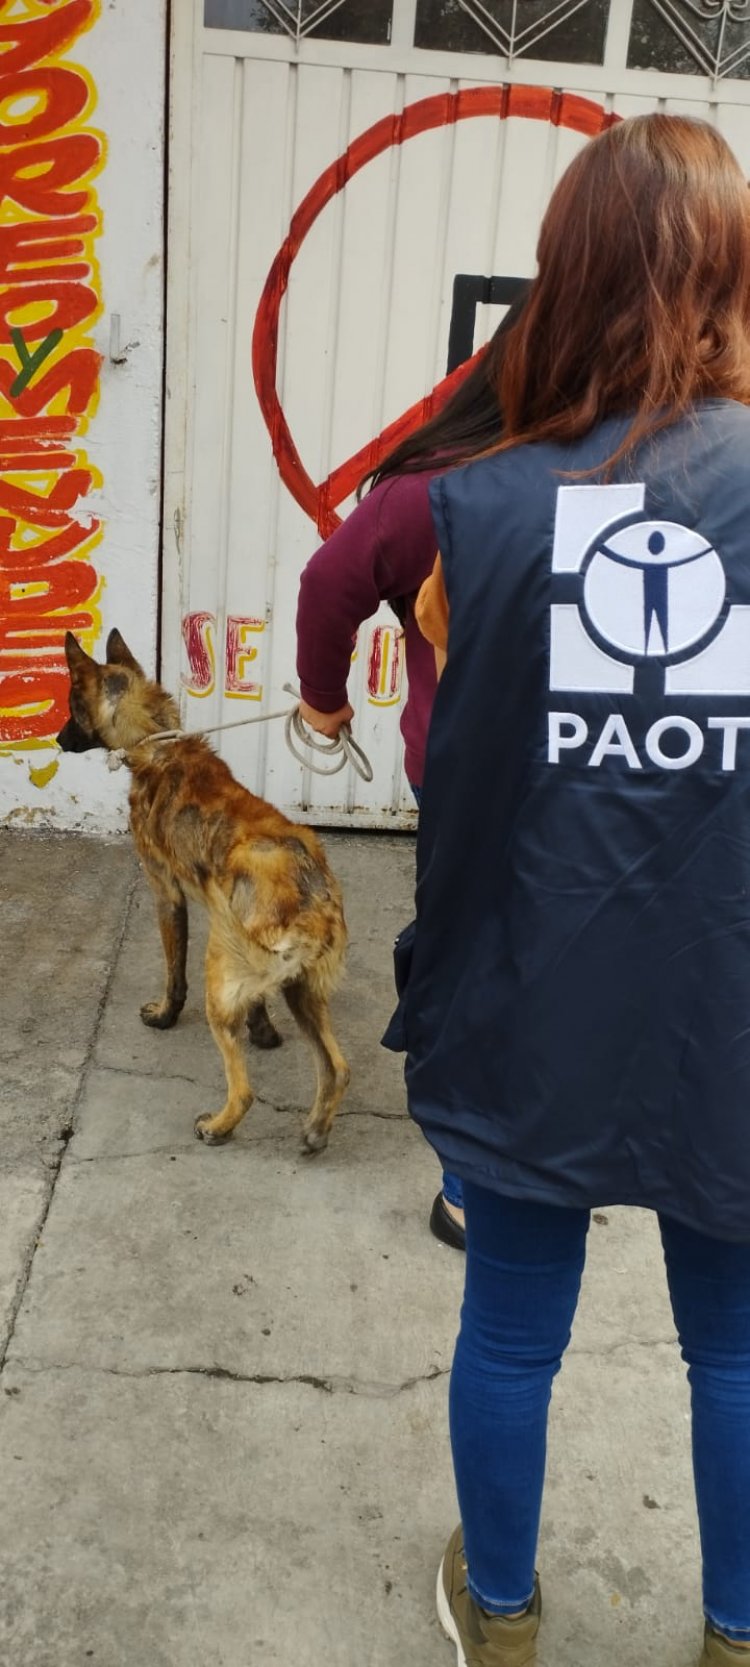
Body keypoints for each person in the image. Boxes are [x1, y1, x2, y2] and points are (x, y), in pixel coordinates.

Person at [386, 114, 750, 1666]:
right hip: (729, 1009)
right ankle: (736, 1628)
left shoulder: (473, 503)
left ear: (562, 276)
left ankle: (507, 1607)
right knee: (735, 1347)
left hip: (537, 985)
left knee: (512, 1325)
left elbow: (457, 765)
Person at [295, 289, 528, 1252]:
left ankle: (472, 1184)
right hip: (591, 779)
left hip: (464, 774)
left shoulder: (428, 487)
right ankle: (512, 1170)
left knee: (471, 966)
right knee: (545, 967)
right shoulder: (626, 476)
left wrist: (324, 698)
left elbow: (325, 585)